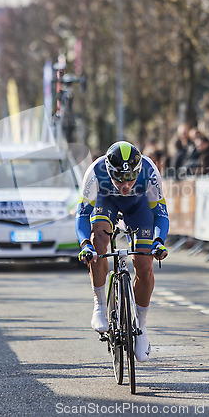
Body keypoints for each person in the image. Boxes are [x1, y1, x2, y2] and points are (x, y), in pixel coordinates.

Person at [75, 141, 169, 362]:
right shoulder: (96, 172)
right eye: (119, 179)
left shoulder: (149, 169)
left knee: (144, 266)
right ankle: (100, 304)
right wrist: (84, 245)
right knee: (98, 240)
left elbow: (161, 214)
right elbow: (81, 216)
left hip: (139, 207)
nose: (125, 185)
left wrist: (158, 241)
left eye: (131, 179)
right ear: (109, 171)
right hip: (105, 202)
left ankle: (141, 327)